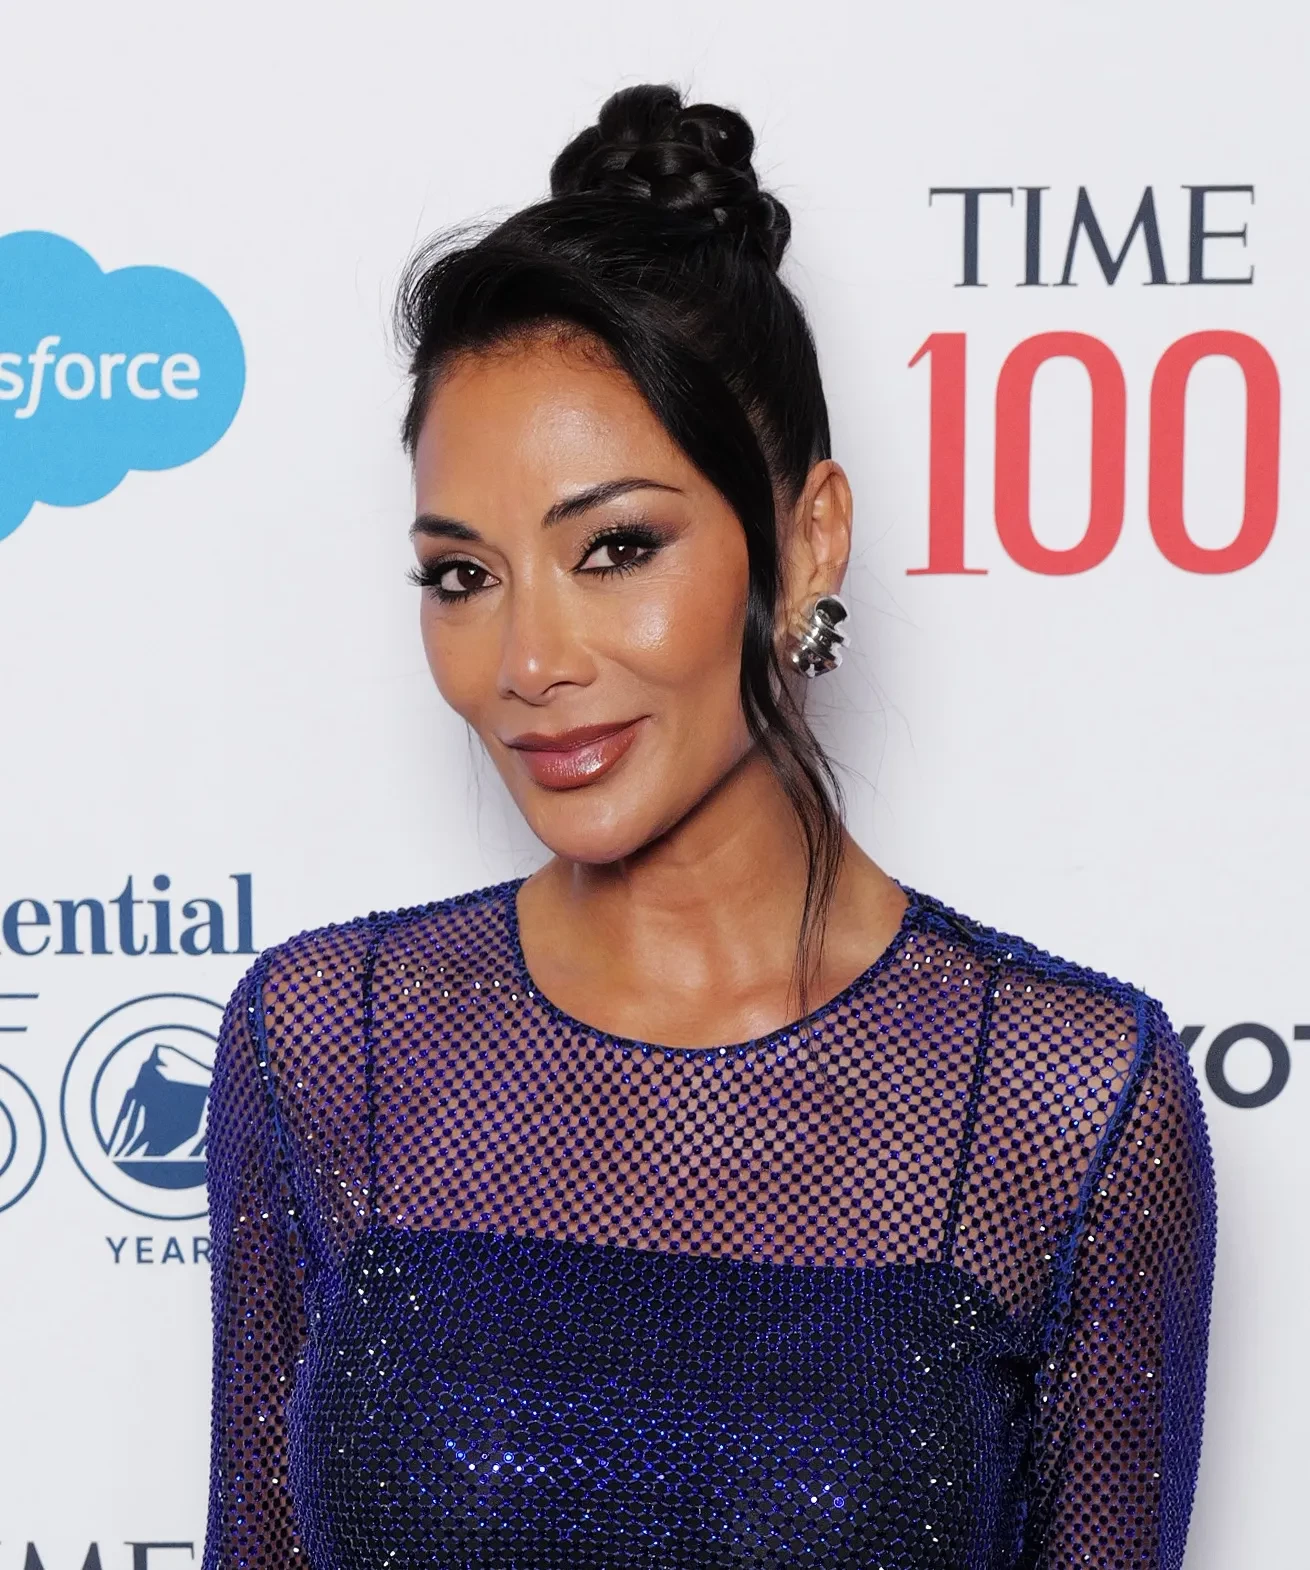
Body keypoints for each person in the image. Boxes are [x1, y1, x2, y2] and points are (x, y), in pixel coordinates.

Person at [203, 84, 1216, 1570]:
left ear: (807, 539)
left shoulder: (1064, 1100)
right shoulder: (325, 1044)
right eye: (462, 576)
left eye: (615, 548)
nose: (527, 661)